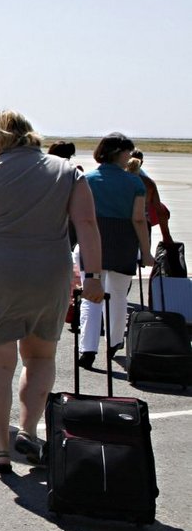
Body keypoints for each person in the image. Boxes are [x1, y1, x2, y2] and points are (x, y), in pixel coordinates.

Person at [0, 110, 104, 472]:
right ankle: (30, 431)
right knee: (40, 357)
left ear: (1, 138)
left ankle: (0, 447)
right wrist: (93, 276)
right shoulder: (68, 171)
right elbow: (86, 223)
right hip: (49, 272)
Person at [79, 133, 152, 367]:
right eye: (127, 152)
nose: (129, 156)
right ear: (117, 153)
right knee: (119, 295)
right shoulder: (134, 182)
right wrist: (146, 251)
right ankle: (114, 342)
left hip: (93, 243)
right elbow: (139, 220)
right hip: (123, 243)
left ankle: (87, 349)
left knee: (91, 298)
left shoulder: (87, 179)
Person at [129, 150, 173, 247]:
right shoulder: (148, 182)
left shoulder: (118, 179)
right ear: (142, 162)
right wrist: (166, 235)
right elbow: (159, 209)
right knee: (144, 256)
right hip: (143, 223)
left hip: (122, 222)